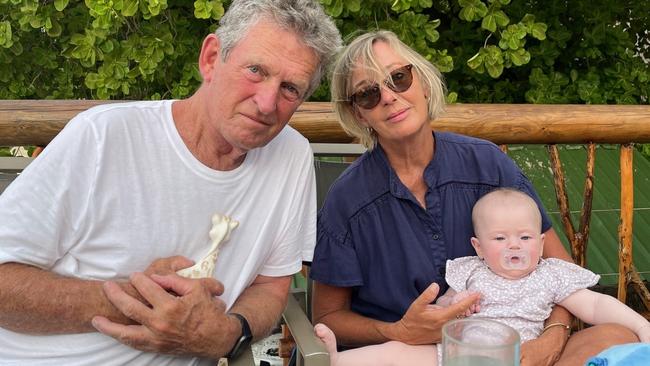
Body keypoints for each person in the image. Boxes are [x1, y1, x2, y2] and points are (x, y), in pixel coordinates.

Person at [0, 0, 341, 364]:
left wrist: (230, 333)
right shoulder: (104, 136)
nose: (267, 102)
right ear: (211, 58)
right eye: (255, 70)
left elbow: (271, 285)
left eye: (291, 88)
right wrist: (135, 300)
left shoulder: (291, 156)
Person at [309, 29, 638, 366]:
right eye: (368, 94)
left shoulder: (487, 164)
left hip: (520, 350)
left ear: (422, 82)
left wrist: (552, 337)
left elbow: (560, 268)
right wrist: (399, 331)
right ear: (359, 113)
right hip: (418, 356)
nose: (389, 96)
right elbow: (329, 317)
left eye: (398, 77)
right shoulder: (347, 199)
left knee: (617, 338)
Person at [313, 188, 650, 365]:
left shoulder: (549, 276)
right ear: (479, 246)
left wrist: (641, 326)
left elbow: (595, 305)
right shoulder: (470, 271)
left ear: (542, 242)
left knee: (613, 339)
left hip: (519, 358)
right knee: (394, 353)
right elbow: (442, 308)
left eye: (526, 237)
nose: (514, 245)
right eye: (500, 239)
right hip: (458, 356)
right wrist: (453, 304)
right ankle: (337, 360)